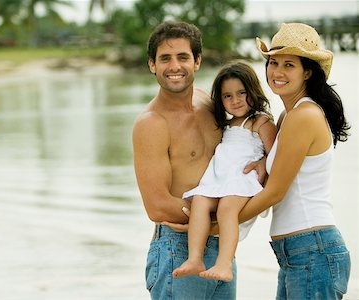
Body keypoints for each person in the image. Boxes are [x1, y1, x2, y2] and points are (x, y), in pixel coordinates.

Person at [132, 21, 265, 300]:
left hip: (222, 250)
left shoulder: (209, 104)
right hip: (178, 248)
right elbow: (156, 206)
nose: (174, 66)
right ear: (152, 65)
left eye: (183, 57)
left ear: (197, 62)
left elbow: (246, 142)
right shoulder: (151, 124)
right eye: (165, 58)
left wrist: (263, 164)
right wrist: (212, 220)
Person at [235, 23, 351, 299]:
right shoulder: (290, 116)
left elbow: (275, 192)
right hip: (298, 252)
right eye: (273, 62)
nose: (277, 72)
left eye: (289, 65)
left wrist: (219, 226)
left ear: (307, 72)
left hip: (313, 249)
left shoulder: (304, 115)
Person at [172, 61, 277, 282]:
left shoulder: (260, 121)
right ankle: (195, 258)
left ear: (252, 91)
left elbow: (277, 154)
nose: (235, 100)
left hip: (242, 179)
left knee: (227, 209)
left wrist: (263, 161)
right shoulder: (227, 124)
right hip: (219, 179)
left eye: (241, 93)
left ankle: (224, 263)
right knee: (200, 201)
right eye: (227, 96)